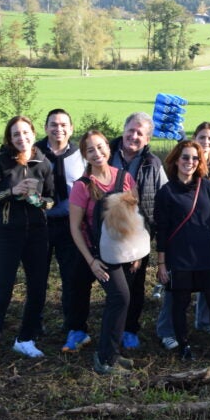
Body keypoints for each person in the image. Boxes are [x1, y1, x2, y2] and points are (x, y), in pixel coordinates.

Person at [0, 116, 54, 380]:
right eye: (16, 134)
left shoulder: (44, 162)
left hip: (38, 235)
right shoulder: (0, 162)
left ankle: (25, 338)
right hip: (7, 234)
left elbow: (51, 201)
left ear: (33, 133)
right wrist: (12, 191)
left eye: (26, 133)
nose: (22, 138)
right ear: (10, 137)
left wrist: (38, 200)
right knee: (2, 293)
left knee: (38, 289)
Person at [156, 122, 210, 349]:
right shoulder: (166, 192)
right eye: (185, 158)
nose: (190, 162)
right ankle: (184, 345)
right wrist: (161, 263)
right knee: (180, 304)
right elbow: (161, 230)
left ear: (200, 162)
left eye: (194, 159)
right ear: (176, 160)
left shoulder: (207, 187)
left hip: (206, 254)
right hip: (179, 257)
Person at [69, 130, 138, 375]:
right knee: (120, 298)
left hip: (124, 252)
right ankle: (105, 358)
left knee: (121, 300)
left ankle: (113, 353)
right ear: (85, 155)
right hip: (99, 255)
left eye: (100, 147)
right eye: (90, 150)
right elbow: (75, 228)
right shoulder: (82, 186)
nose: (97, 154)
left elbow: (133, 217)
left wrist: (136, 252)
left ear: (108, 148)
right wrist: (91, 261)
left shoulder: (125, 178)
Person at [108, 112, 166, 349]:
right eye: (130, 130)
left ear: (148, 138)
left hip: (138, 236)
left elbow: (163, 198)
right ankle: (87, 327)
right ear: (123, 129)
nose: (133, 136)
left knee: (134, 284)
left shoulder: (153, 163)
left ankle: (130, 329)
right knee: (107, 282)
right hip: (106, 232)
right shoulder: (106, 155)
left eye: (140, 133)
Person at [35, 109, 90, 353]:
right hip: (40, 224)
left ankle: (75, 327)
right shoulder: (33, 152)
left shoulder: (82, 155)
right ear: (45, 127)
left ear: (71, 127)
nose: (59, 129)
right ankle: (33, 324)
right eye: (54, 124)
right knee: (37, 276)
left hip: (71, 226)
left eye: (64, 124)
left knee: (73, 278)